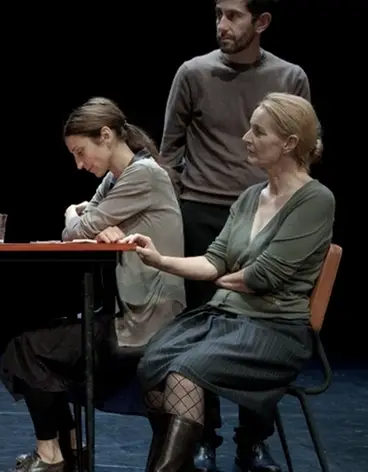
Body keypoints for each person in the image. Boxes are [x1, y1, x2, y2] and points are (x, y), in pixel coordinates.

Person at [124, 92, 333, 472]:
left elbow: (263, 277)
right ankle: (182, 462)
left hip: (274, 327)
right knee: (152, 364)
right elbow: (214, 259)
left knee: (185, 370)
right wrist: (159, 259)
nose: (246, 138)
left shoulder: (316, 200)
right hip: (223, 318)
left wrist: (226, 276)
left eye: (258, 131)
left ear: (289, 143)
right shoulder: (250, 197)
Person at [157, 1, 312, 469]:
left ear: (261, 22)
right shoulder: (193, 72)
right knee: (205, 326)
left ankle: (254, 440)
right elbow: (169, 150)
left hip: (269, 213)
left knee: (257, 328)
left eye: (234, 16)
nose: (222, 25)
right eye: (218, 14)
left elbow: (304, 148)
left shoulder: (289, 77)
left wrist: (288, 206)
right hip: (204, 212)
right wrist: (183, 204)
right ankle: (203, 435)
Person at [0, 97, 186, 472]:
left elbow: (77, 227)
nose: (79, 165)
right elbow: (87, 222)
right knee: (35, 343)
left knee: (28, 349)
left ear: (106, 136)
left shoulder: (144, 175)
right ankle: (65, 452)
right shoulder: (116, 180)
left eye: (81, 152)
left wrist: (75, 214)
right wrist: (88, 220)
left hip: (145, 324)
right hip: (121, 313)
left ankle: (53, 456)